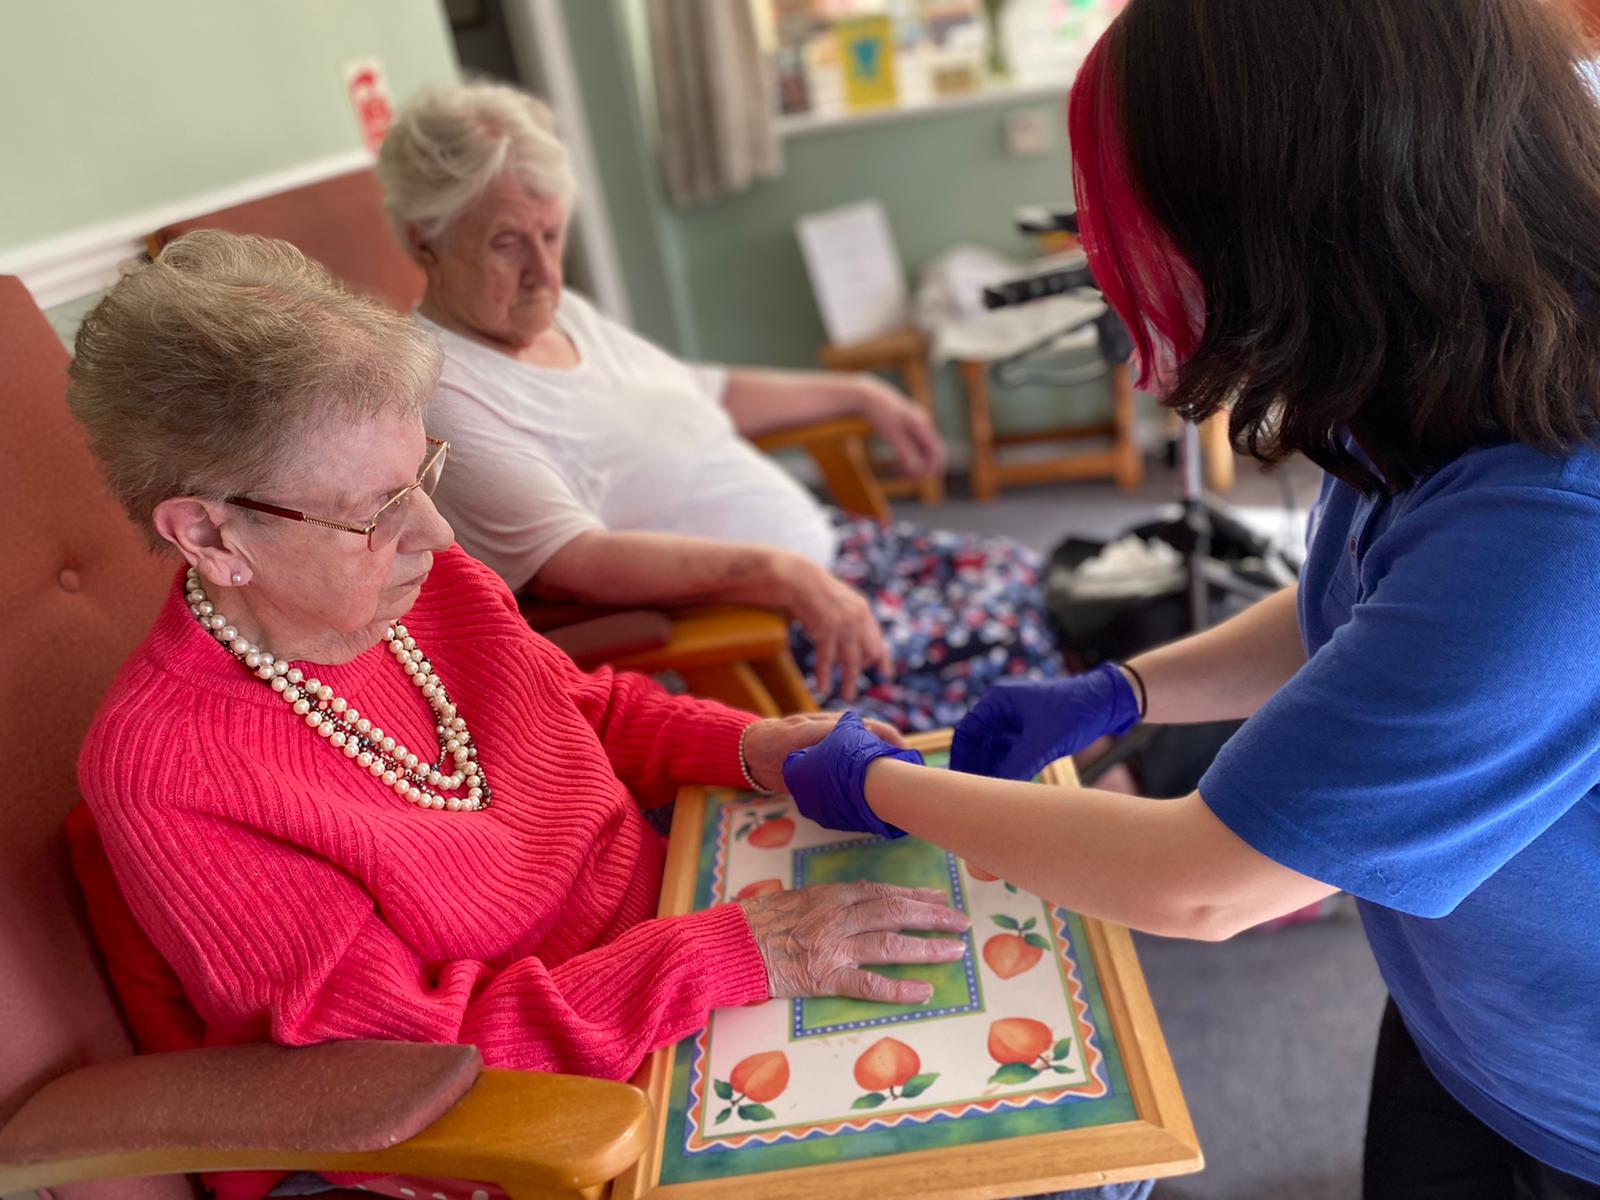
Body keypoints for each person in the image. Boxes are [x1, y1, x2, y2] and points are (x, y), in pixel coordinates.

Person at [781, 1, 1600, 1196]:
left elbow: (1203, 880)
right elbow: (1377, 613)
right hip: (1471, 1021)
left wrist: (881, 782)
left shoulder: (1551, 531)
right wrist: (1125, 689)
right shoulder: (1439, 397)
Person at [68, 231, 971, 1200]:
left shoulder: (421, 580)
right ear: (209, 533)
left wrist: (750, 745)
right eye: (376, 510)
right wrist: (733, 952)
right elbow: (406, 1065)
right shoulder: (168, 770)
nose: (438, 532)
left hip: (677, 932)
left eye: (424, 470)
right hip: (546, 1117)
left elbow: (577, 708)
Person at [374, 81, 1064, 732]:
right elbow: (574, 561)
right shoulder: (445, 389)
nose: (546, 274)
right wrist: (778, 573)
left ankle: (1102, 796)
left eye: (552, 236)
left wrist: (860, 392)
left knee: (1040, 580)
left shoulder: (565, 317)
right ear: (422, 242)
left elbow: (705, 392)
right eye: (506, 244)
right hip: (781, 637)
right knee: (1019, 646)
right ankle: (1091, 812)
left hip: (836, 561)